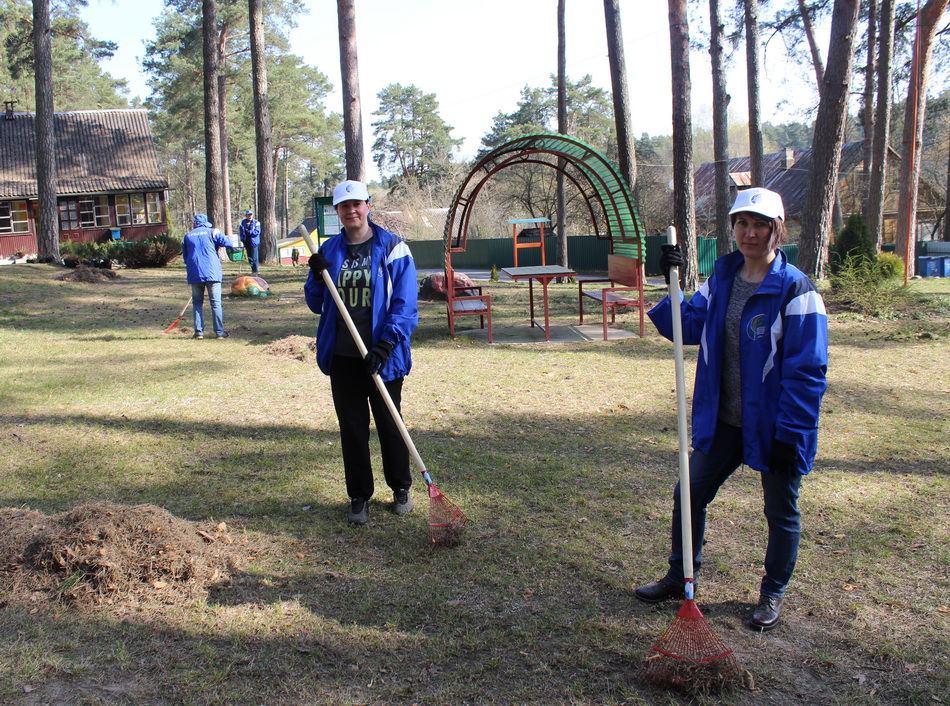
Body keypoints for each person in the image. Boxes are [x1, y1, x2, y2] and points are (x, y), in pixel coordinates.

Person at [635, 187, 828, 632]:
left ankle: (772, 592)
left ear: (777, 229)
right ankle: (681, 576)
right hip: (723, 421)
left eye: (760, 224)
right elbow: (686, 325)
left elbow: (808, 371)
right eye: (742, 223)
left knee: (781, 511)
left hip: (773, 426)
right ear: (734, 228)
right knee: (690, 493)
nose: (750, 233)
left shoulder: (798, 290)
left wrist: (791, 433)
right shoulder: (722, 279)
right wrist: (668, 282)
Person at [304, 180, 419, 525]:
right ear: (337, 212)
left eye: (357, 204)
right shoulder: (331, 250)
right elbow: (315, 303)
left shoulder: (393, 248)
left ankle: (400, 487)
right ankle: (359, 496)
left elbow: (405, 303)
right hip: (343, 355)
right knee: (352, 427)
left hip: (383, 355)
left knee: (390, 423)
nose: (351, 210)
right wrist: (315, 275)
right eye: (344, 206)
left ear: (368, 205)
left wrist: (385, 344)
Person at [181, 214, 233, 339]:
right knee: (215, 303)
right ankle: (219, 332)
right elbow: (229, 243)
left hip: (195, 272)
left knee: (197, 303)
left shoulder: (188, 236)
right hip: (212, 272)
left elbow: (185, 257)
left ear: (195, 223)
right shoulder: (213, 232)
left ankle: (199, 332)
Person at [239, 209, 262, 274]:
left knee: (254, 257)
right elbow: (241, 231)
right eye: (248, 215)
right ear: (246, 215)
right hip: (246, 241)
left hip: (253, 242)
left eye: (251, 215)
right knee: (250, 257)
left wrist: (249, 232)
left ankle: (256, 270)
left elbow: (257, 232)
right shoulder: (243, 222)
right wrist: (242, 238)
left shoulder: (256, 222)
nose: (249, 216)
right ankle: (253, 269)